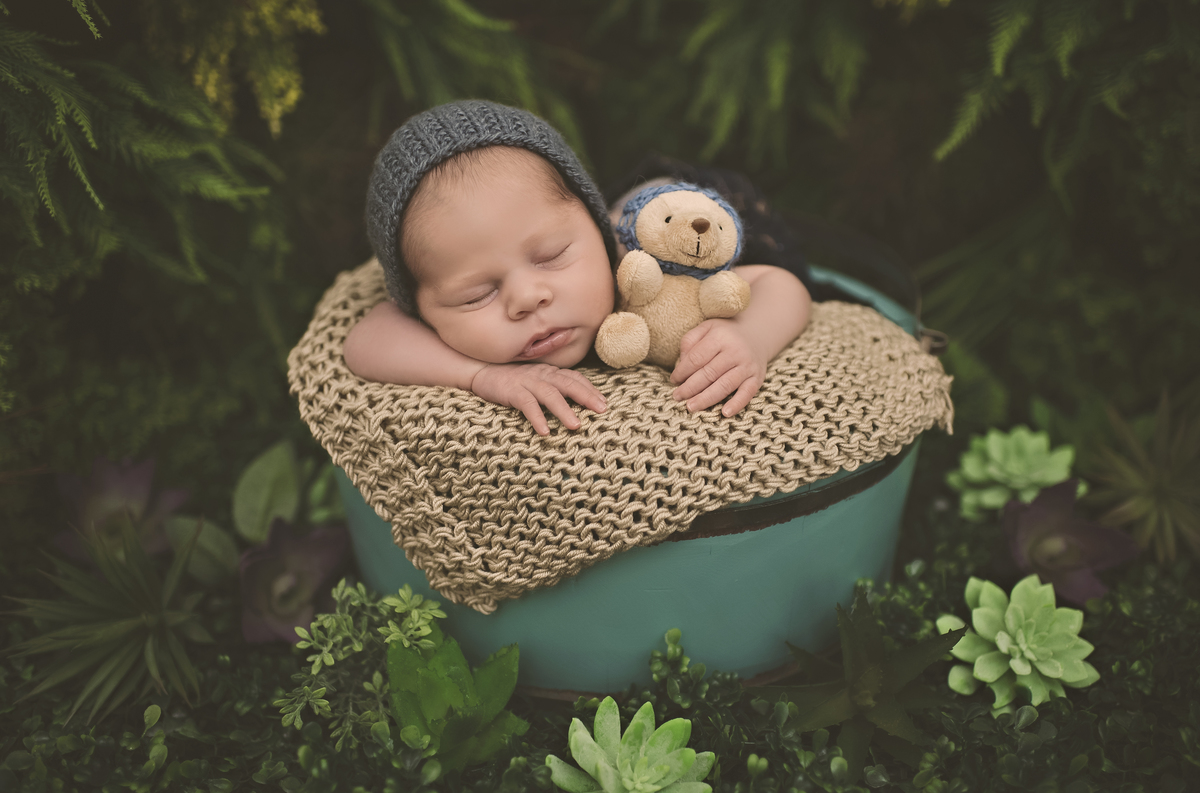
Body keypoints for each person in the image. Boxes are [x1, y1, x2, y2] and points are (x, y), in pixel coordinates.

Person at [344, 100, 811, 435]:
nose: (529, 298)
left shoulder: (643, 270)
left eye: (551, 257)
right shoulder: (416, 310)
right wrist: (481, 375)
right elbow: (365, 341)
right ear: (420, 308)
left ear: (596, 228)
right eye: (476, 295)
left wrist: (752, 337)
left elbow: (778, 282)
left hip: (704, 216)